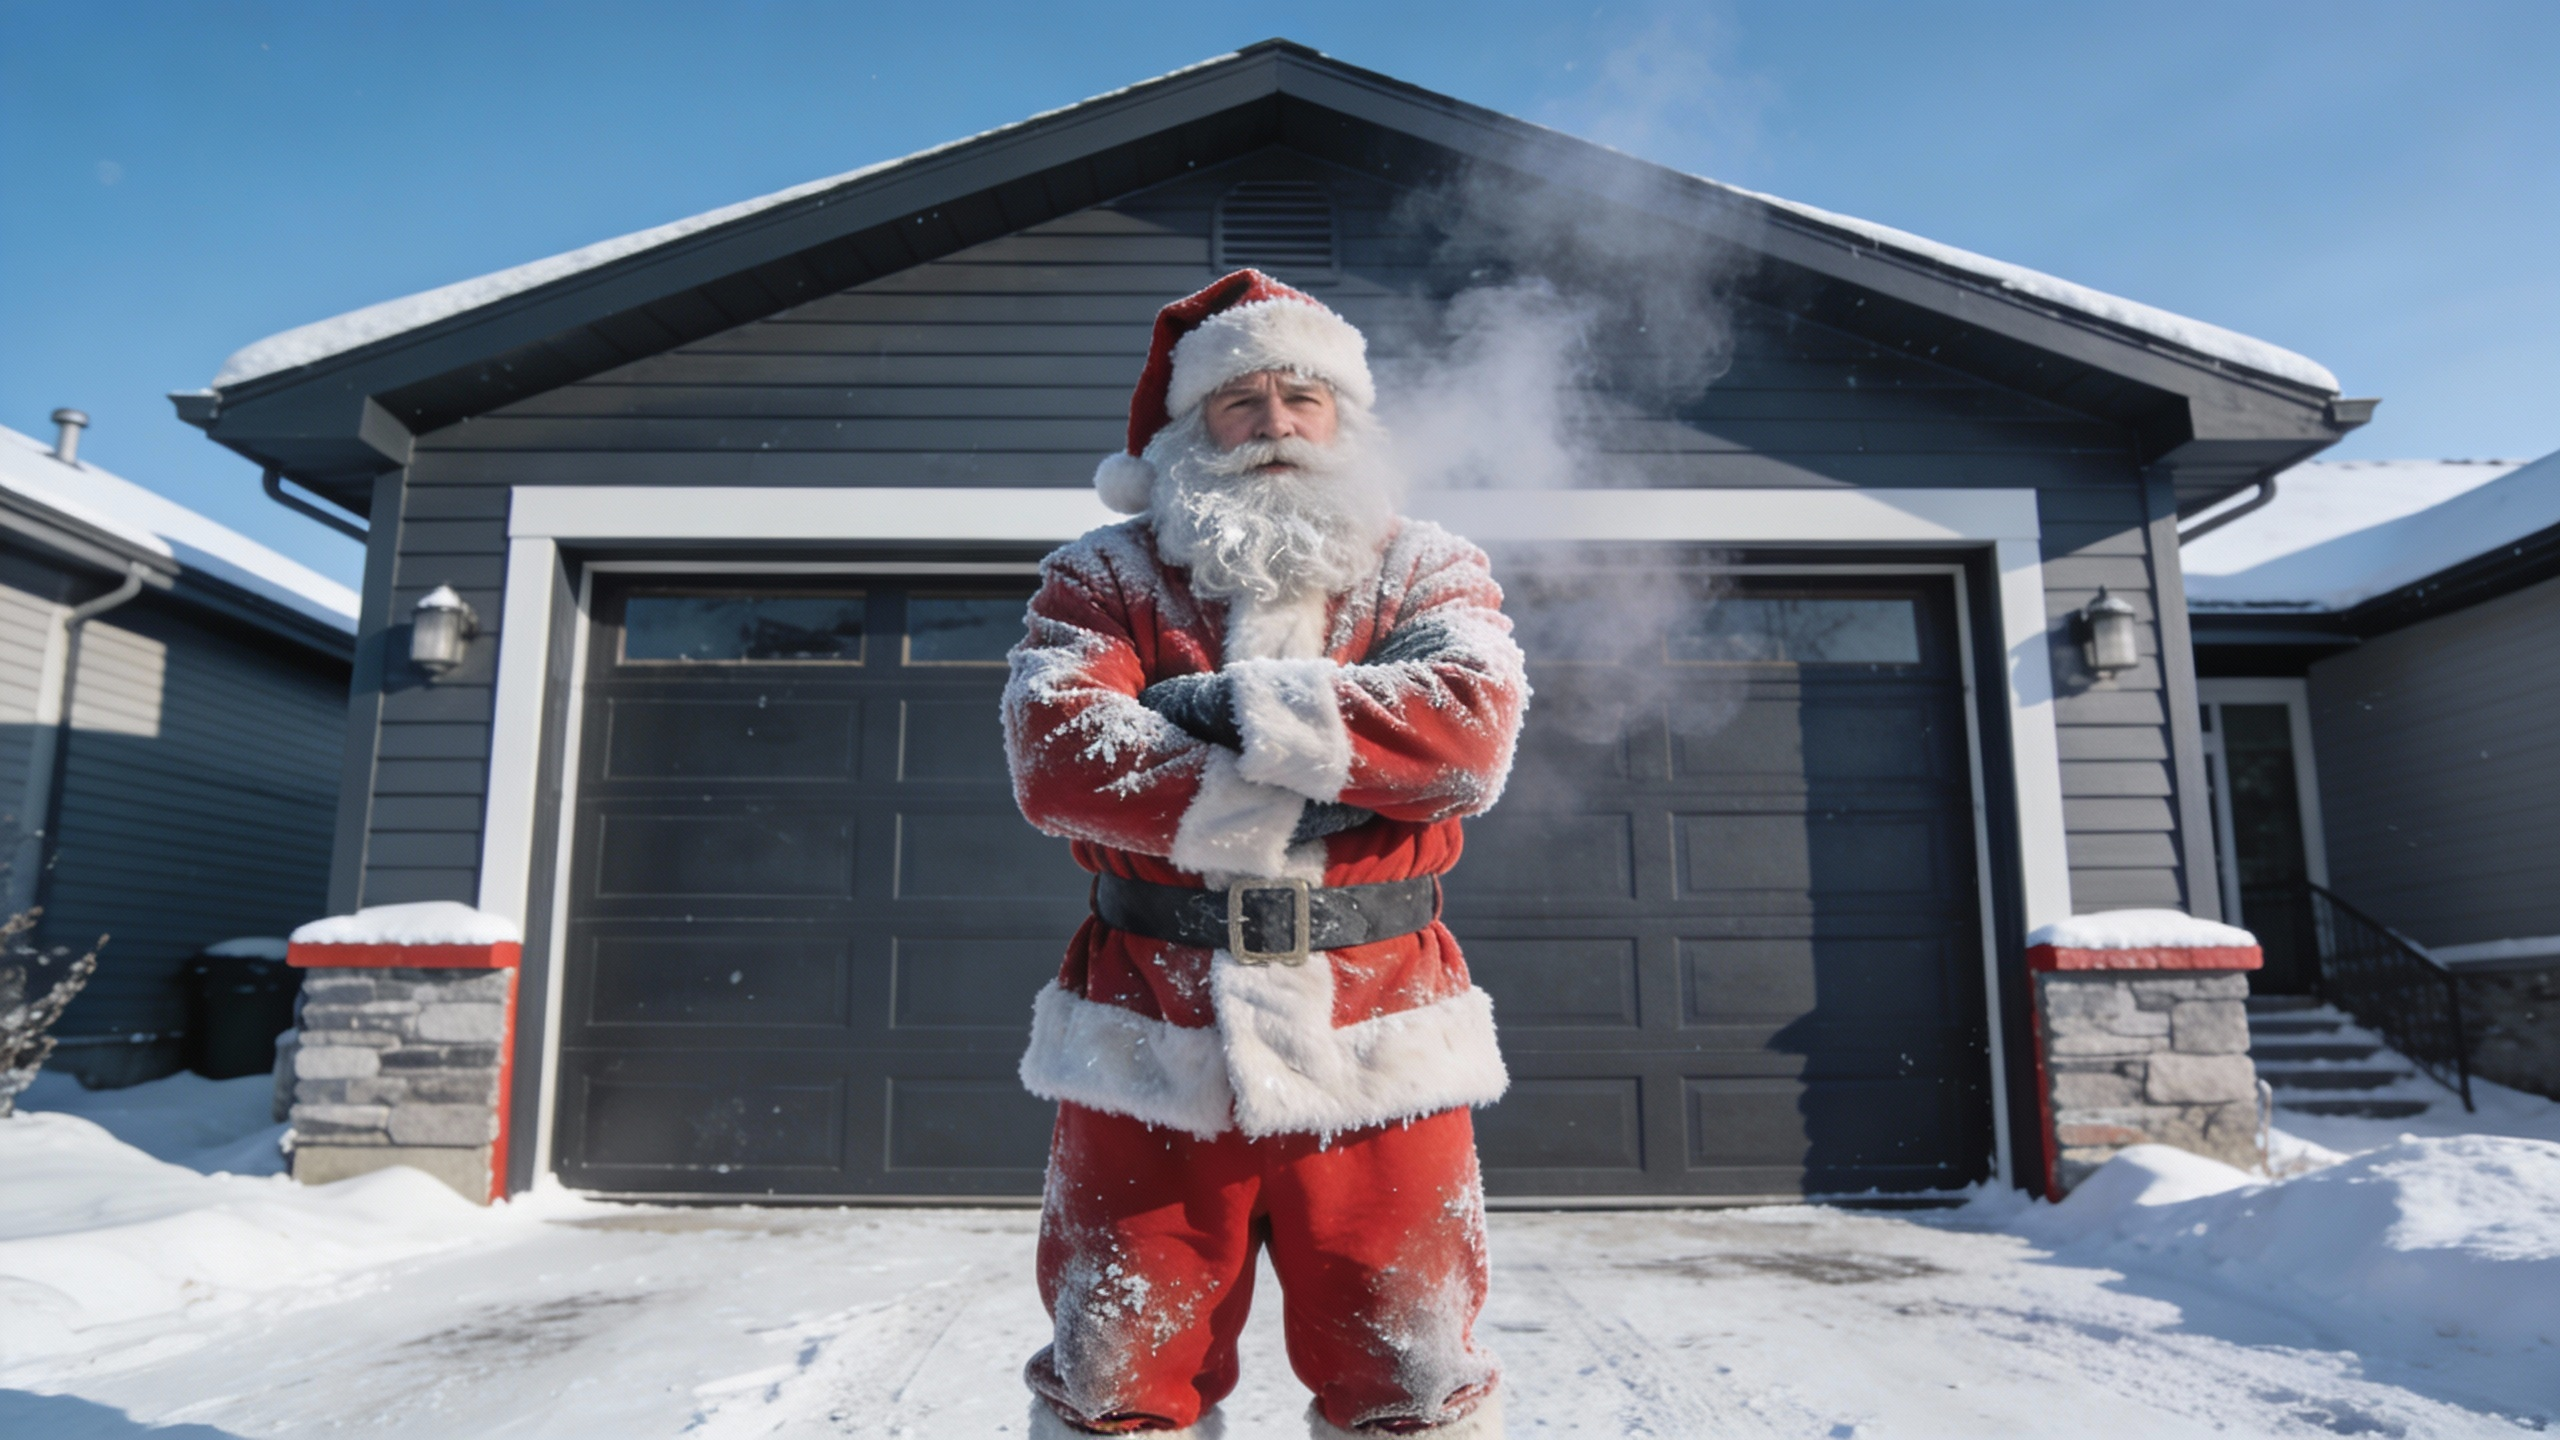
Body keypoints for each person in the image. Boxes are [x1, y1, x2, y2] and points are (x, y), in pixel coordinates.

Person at [1003, 270, 1526, 1439]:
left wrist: (1206, 708)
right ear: (1190, 430)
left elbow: (1464, 735)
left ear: (1348, 421)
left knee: (1412, 1378)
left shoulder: (1428, 569)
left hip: (1383, 1028)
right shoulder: (1100, 577)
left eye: (1305, 397)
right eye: (1242, 402)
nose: (1278, 423)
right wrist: (1334, 773)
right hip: (1147, 1028)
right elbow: (1061, 757)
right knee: (1113, 1376)